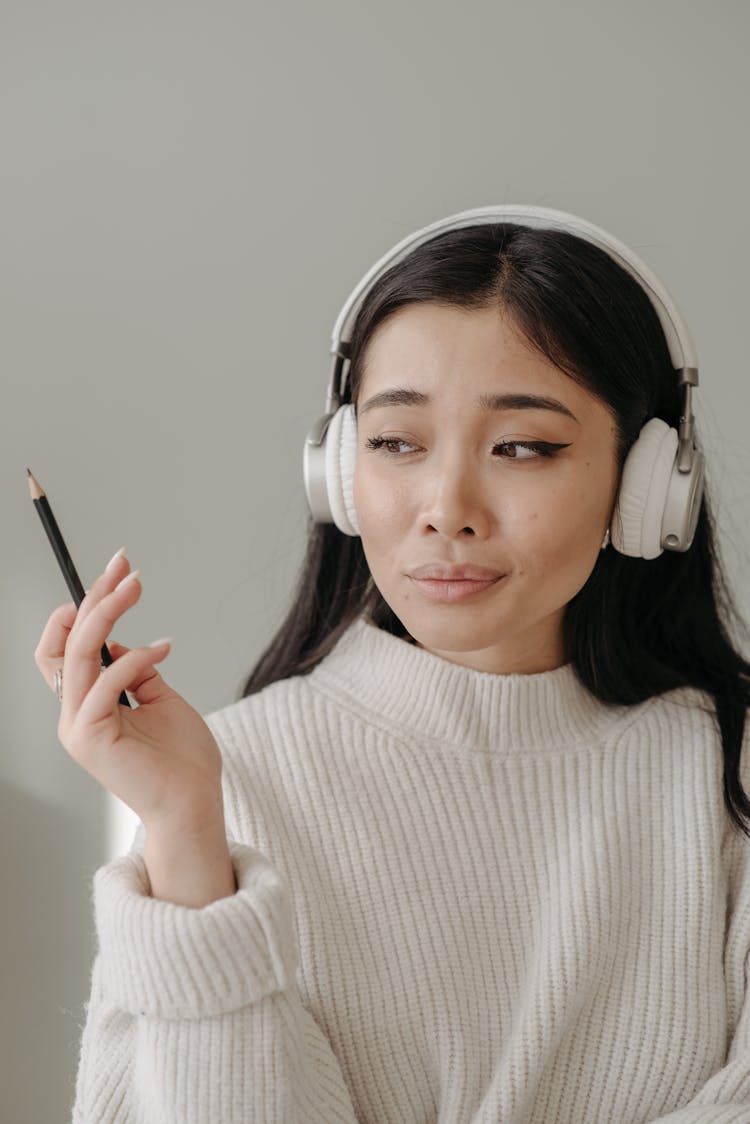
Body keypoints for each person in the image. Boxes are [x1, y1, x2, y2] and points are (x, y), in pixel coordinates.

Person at [34, 207, 750, 1124]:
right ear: (338, 474)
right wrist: (182, 833)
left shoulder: (724, 770)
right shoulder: (232, 779)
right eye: (397, 443)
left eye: (524, 446)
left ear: (649, 481)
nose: (445, 508)